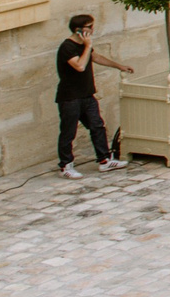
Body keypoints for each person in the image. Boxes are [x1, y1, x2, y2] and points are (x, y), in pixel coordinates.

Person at [55, 13, 132, 177]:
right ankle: (66, 166)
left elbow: (96, 58)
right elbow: (80, 66)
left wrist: (119, 66)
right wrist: (88, 46)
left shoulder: (84, 46)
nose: (93, 29)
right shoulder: (67, 47)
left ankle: (104, 160)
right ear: (78, 30)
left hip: (87, 95)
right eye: (89, 27)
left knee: (97, 126)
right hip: (70, 97)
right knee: (69, 131)